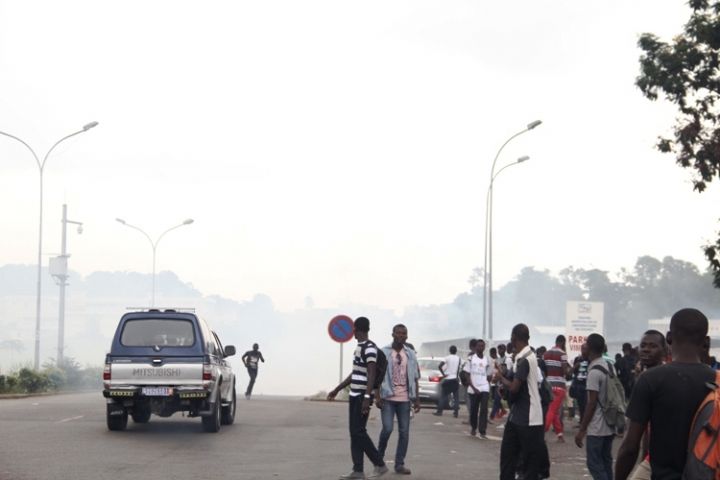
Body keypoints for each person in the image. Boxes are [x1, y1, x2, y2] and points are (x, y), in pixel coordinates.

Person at [615, 308, 715, 480]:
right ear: (706, 342)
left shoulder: (650, 380)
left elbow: (630, 447)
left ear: (669, 337)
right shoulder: (717, 381)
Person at [327, 316, 389, 479]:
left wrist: (367, 397)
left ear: (357, 329)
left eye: (354, 328)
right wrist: (337, 389)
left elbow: (372, 373)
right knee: (354, 433)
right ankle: (358, 470)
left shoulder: (369, 348)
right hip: (355, 394)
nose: (352, 331)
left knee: (359, 432)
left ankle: (380, 464)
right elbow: (355, 373)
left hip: (362, 395)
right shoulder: (359, 347)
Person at [495, 324, 546, 480]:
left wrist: (500, 378)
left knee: (523, 462)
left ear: (514, 338)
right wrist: (504, 384)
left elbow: (515, 387)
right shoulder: (525, 357)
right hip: (520, 416)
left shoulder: (525, 359)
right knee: (513, 458)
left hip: (527, 418)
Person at [375, 324, 421, 475]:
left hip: (405, 398)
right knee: (387, 429)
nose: (401, 336)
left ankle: (399, 464)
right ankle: (378, 459)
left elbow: (415, 377)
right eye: (398, 333)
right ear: (393, 334)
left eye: (404, 334)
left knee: (404, 432)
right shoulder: (384, 352)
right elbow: (377, 375)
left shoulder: (411, 354)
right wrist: (377, 396)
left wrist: (417, 399)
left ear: (407, 336)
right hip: (388, 397)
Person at [626, 329, 667, 480]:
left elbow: (630, 444)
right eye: (643, 345)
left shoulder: (660, 378)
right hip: (651, 457)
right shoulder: (644, 377)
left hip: (661, 459)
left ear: (664, 350)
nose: (646, 350)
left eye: (652, 346)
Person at [574, 333, 614, 480]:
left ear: (589, 349)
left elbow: (591, 404)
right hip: (610, 423)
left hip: (597, 428)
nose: (582, 349)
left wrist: (582, 429)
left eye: (584, 345)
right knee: (606, 462)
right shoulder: (609, 366)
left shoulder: (594, 372)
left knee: (594, 464)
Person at [544, 335, 570, 443]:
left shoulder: (546, 354)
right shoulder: (563, 354)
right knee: (551, 411)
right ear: (563, 343)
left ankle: (560, 434)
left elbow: (544, 370)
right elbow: (565, 372)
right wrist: (572, 369)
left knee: (554, 411)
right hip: (559, 386)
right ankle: (541, 433)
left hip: (548, 385)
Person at [464, 338, 491, 438]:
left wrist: (487, 383)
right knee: (474, 410)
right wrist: (473, 387)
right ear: (475, 347)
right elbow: (467, 374)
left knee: (484, 409)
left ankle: (482, 431)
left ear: (484, 347)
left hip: (484, 387)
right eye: (479, 346)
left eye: (482, 346)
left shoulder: (487, 359)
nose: (481, 347)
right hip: (473, 388)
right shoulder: (471, 359)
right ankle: (473, 427)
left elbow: (489, 373)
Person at [434, 345, 461, 417]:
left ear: (450, 350)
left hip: (448, 379)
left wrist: (444, 374)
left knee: (443, 396)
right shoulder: (459, 358)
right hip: (455, 379)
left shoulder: (447, 358)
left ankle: (439, 411)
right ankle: (456, 413)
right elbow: (459, 369)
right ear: (456, 351)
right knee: (456, 397)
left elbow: (440, 366)